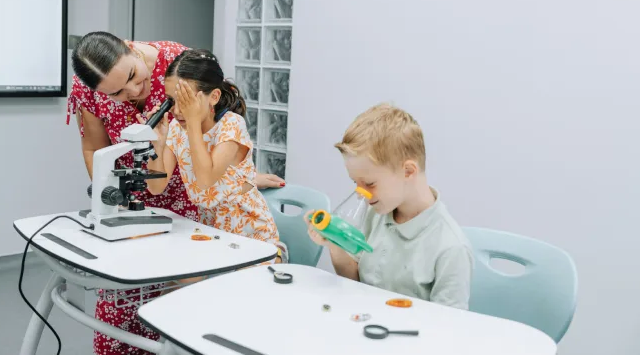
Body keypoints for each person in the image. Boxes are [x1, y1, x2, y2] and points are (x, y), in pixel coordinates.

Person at [66, 31, 285, 355]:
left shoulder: (202, 99)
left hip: (231, 232)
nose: (133, 93)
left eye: (133, 79)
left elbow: (208, 174)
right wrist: (158, 145)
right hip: (181, 222)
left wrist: (240, 171)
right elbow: (155, 183)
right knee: (141, 302)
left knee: (189, 308)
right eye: (116, 93)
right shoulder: (177, 130)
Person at [305, 103, 474, 310]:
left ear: (408, 171)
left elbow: (449, 327)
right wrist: (335, 243)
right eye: (355, 183)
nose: (362, 194)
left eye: (370, 184)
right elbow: (354, 281)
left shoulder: (450, 248)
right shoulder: (377, 213)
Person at [143, 49, 281, 247]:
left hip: (249, 231)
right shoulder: (176, 128)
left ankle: (279, 252)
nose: (178, 111)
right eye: (172, 102)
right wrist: (158, 142)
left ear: (214, 97)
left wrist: (192, 123)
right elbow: (156, 187)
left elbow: (205, 179)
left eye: (187, 101)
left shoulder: (231, 125)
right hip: (211, 229)